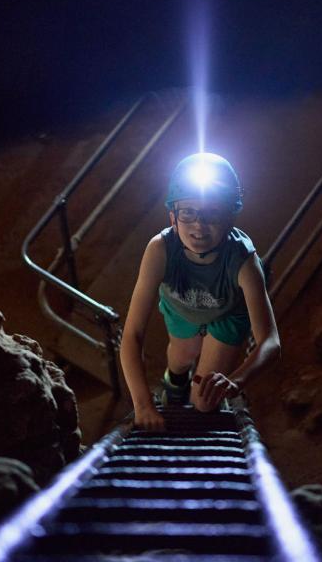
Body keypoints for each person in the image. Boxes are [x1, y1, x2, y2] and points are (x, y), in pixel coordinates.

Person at [120, 152, 281, 431]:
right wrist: (143, 404)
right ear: (173, 217)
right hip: (181, 305)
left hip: (228, 313)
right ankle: (175, 380)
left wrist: (237, 380)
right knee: (181, 357)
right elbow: (133, 333)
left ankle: (188, 388)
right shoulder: (160, 250)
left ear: (230, 218)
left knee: (205, 402)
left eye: (212, 213)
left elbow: (270, 341)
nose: (199, 224)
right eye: (188, 212)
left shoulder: (243, 260)